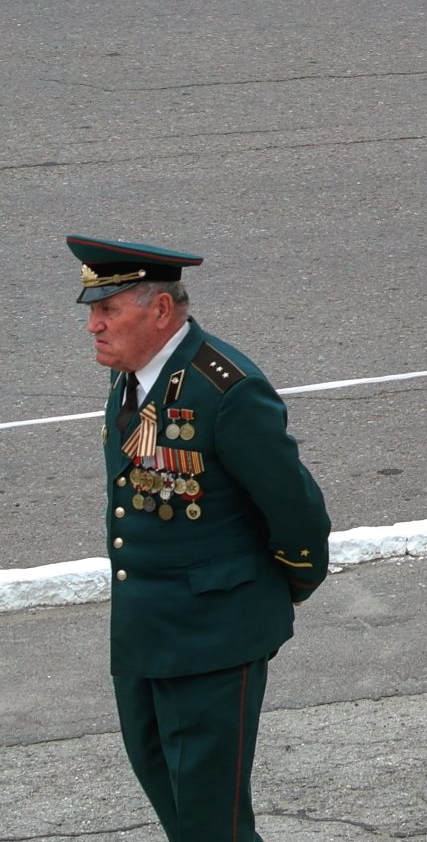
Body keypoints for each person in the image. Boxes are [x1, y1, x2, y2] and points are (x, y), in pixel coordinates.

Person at [66, 234, 332, 842]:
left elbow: (296, 510)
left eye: (107, 310)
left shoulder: (227, 390)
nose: (94, 326)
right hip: (146, 632)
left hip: (215, 636)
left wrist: (274, 590)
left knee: (213, 823)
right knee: (175, 803)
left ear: (160, 311)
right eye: (92, 311)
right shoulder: (135, 376)